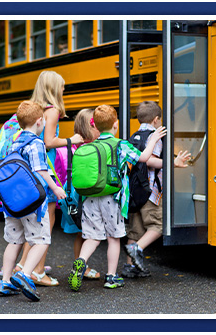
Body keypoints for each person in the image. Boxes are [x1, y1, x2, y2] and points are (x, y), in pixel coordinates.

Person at [67, 104, 167, 291]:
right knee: (113, 238)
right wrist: (153, 139)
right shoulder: (121, 145)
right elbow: (144, 157)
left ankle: (81, 261)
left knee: (92, 238)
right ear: (116, 124)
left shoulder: (91, 145)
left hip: (90, 198)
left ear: (95, 126)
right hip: (111, 199)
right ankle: (111, 277)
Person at [13, 71, 84, 286]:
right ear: (54, 88)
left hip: (31, 171)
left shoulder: (35, 107)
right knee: (46, 221)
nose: (63, 90)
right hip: (47, 167)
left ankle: (22, 265)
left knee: (35, 222)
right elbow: (49, 141)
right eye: (62, 86)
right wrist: (71, 139)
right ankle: (38, 271)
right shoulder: (51, 111)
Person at [0, 101, 66, 302]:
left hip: (12, 202)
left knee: (14, 241)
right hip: (32, 202)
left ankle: (6, 281)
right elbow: (40, 170)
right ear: (39, 121)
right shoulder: (36, 143)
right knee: (42, 240)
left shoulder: (13, 141)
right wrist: (56, 188)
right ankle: (25, 274)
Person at [122, 101, 191, 278]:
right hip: (150, 191)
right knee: (159, 224)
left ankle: (130, 267)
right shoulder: (156, 135)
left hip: (134, 190)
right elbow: (150, 160)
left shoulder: (135, 136)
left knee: (135, 230)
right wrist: (173, 163)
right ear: (156, 119)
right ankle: (136, 249)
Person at [54, 109, 101, 279]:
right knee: (86, 233)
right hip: (84, 195)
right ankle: (83, 267)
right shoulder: (90, 148)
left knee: (81, 233)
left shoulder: (74, 146)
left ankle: (79, 264)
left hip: (74, 195)